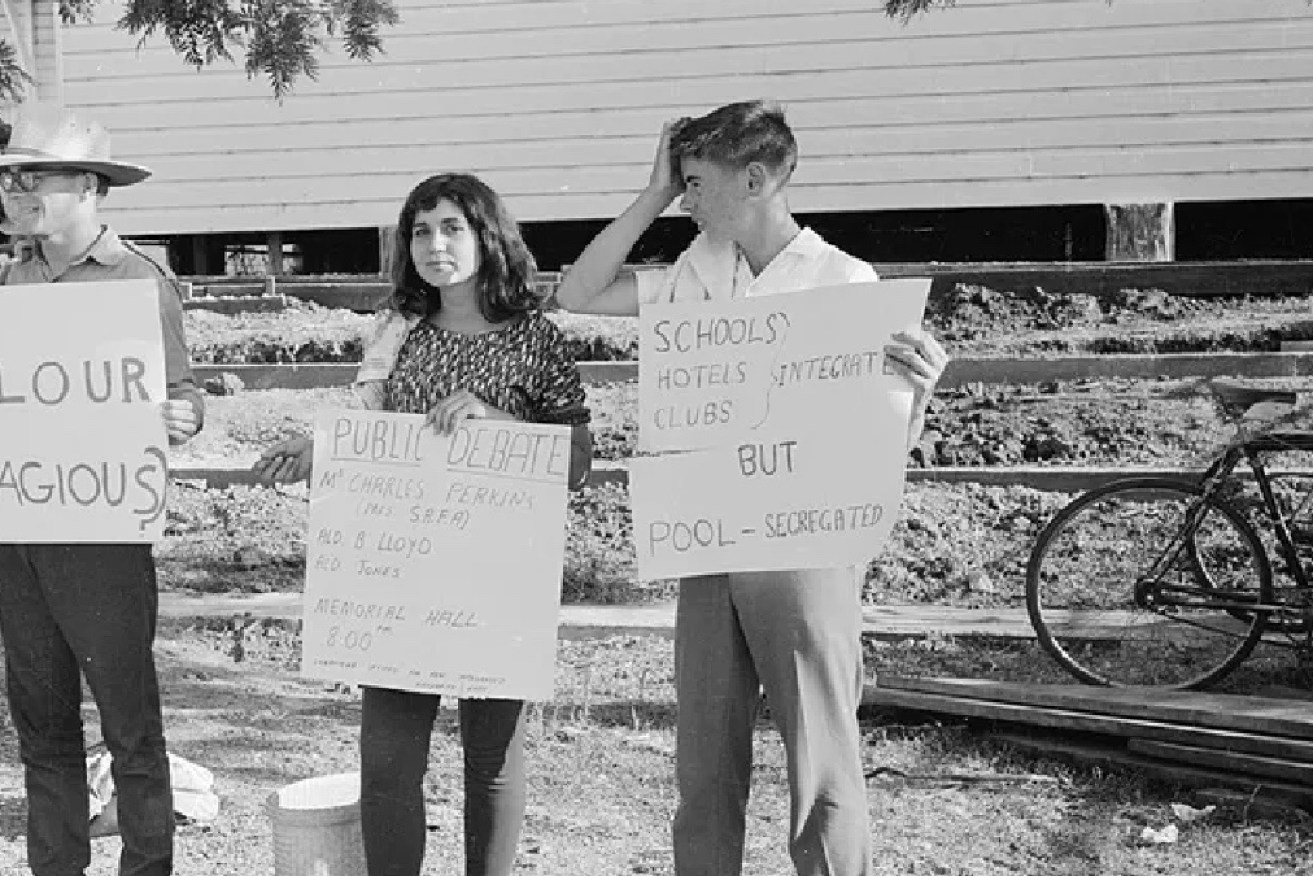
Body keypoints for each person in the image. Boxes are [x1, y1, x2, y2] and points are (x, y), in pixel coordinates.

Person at [553, 100, 949, 876]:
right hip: (709, 543)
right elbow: (576, 293)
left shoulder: (845, 281)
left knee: (822, 762)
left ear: (757, 178)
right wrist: (650, 192)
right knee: (703, 765)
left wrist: (921, 392)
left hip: (804, 551)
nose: (686, 200)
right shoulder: (699, 270)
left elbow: (876, 442)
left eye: (696, 183)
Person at [254, 172, 592, 876]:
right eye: (420, 230)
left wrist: (497, 422)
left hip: (497, 578)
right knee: (385, 766)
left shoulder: (537, 339)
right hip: (399, 577)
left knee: (490, 764)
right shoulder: (397, 329)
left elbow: (576, 462)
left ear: (486, 236)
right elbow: (367, 430)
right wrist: (314, 450)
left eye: (451, 228)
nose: (434, 245)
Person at [0, 105, 204, 876]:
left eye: (35, 176)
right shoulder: (7, 280)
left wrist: (183, 414)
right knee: (42, 727)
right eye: (11, 177)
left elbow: (180, 390)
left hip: (105, 540)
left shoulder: (139, 281)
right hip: (18, 534)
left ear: (88, 186)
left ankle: (146, 867)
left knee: (129, 727)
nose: (17, 189)